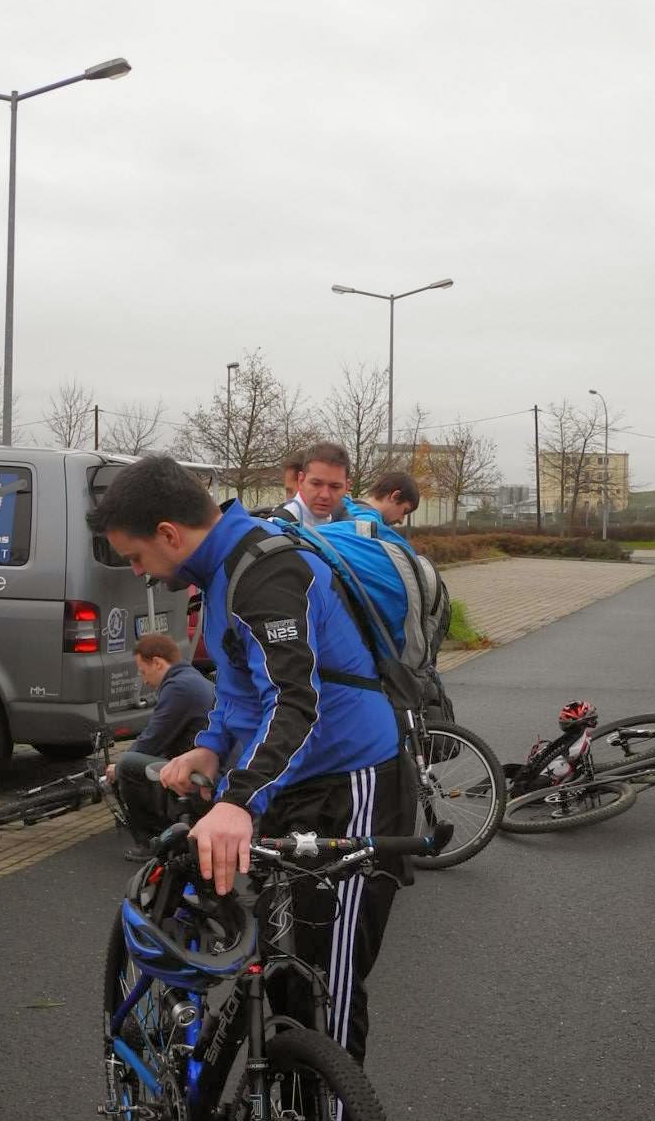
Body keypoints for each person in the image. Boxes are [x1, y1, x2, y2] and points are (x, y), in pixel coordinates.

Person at [87, 455, 419, 1067]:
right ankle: (279, 1105)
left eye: (135, 556)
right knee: (285, 966)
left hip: (353, 783)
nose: (137, 571)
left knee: (326, 989)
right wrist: (212, 746)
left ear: (168, 534)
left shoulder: (265, 572)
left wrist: (238, 801)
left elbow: (295, 701)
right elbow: (242, 686)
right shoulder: (225, 570)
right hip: (295, 780)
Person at [104, 634, 215, 855]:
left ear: (157, 662)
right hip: (212, 764)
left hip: (206, 776)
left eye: (143, 671)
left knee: (129, 765)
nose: (144, 680)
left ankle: (153, 841)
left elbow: (152, 740)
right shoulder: (190, 678)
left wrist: (118, 766)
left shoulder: (179, 688)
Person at [278, 440, 352, 526]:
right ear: (301, 481)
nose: (325, 495)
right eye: (316, 484)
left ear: (347, 487)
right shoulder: (276, 528)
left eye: (335, 487)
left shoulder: (346, 526)